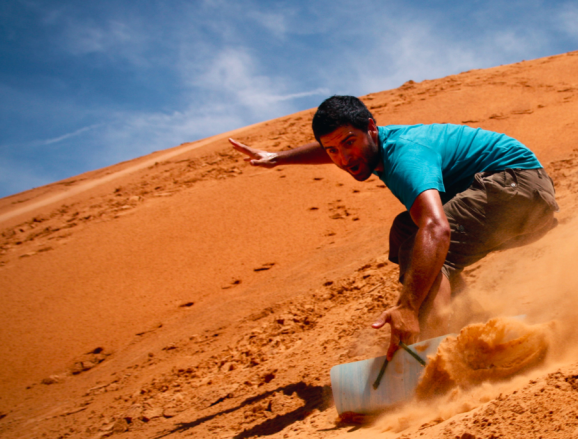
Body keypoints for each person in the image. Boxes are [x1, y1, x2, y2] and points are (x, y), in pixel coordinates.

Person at [230, 95, 558, 360]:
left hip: (517, 187)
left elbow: (438, 228)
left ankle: (439, 350)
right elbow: (333, 145)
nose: (344, 158)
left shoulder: (404, 156)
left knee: (427, 248)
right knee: (406, 232)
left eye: (349, 143)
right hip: (517, 192)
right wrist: (278, 158)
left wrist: (407, 308)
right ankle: (465, 323)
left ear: (372, 128)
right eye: (334, 150)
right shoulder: (370, 144)